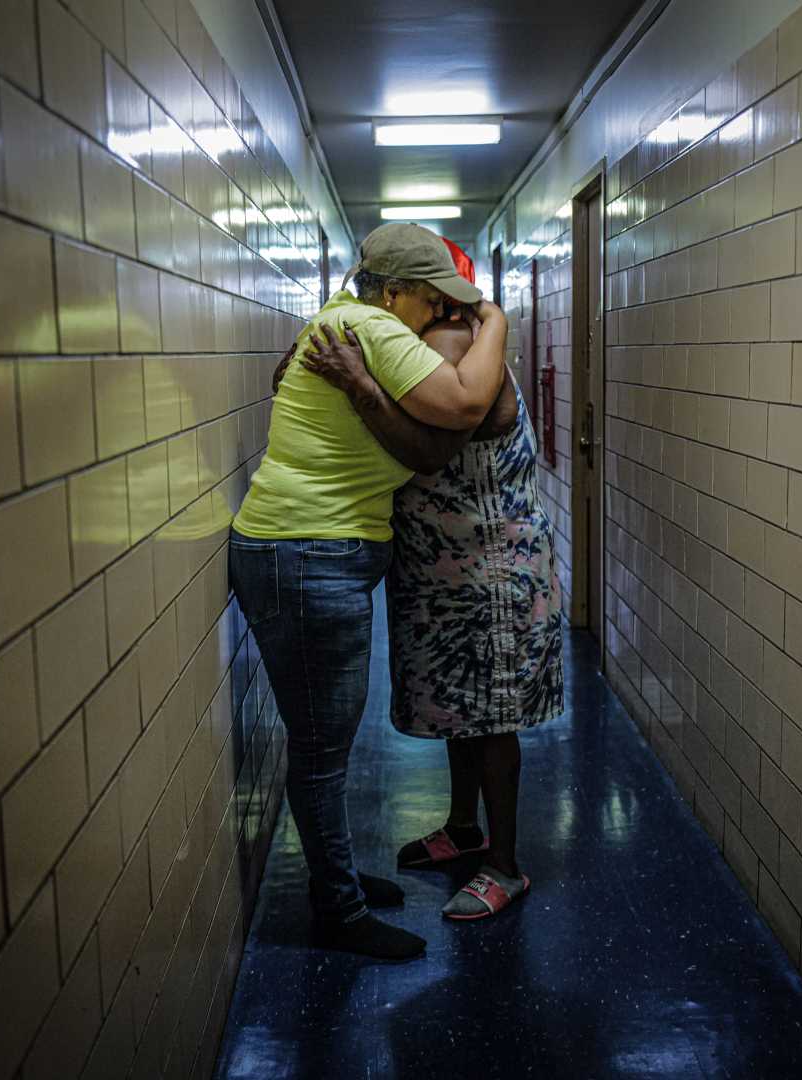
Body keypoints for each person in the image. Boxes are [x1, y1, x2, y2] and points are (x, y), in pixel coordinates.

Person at [229, 222, 508, 960]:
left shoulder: (345, 318)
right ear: (394, 293)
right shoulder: (377, 330)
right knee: (322, 751)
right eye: (432, 299)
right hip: (306, 554)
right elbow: (464, 404)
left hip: (306, 553)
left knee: (326, 745)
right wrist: (495, 322)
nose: (440, 313)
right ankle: (339, 912)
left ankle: (339, 882)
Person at [300, 241, 563, 921]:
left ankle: (504, 865)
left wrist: (360, 385)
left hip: (490, 568)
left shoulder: (452, 341)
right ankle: (464, 828)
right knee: (463, 707)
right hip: (450, 572)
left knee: (492, 714)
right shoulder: (418, 339)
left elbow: (431, 447)